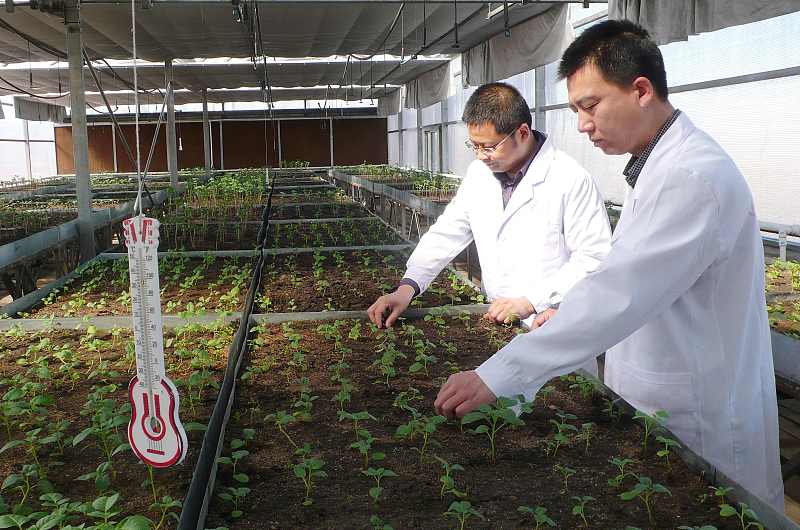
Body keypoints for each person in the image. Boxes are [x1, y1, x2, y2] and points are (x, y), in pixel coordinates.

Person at [433, 20, 784, 511]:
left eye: (590, 106)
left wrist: (499, 374)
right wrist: (564, 307)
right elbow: (618, 274)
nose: (581, 124)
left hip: (698, 419)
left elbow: (619, 293)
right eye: (576, 109)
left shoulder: (691, 177)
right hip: (658, 402)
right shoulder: (657, 165)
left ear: (640, 90)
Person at [368, 83, 612, 350]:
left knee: (558, 389)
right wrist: (407, 288)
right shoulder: (479, 174)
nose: (481, 156)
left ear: (522, 132)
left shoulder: (570, 178)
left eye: (489, 147)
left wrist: (531, 300)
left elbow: (593, 258)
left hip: (553, 322)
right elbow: (447, 232)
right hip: (496, 321)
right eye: (474, 146)